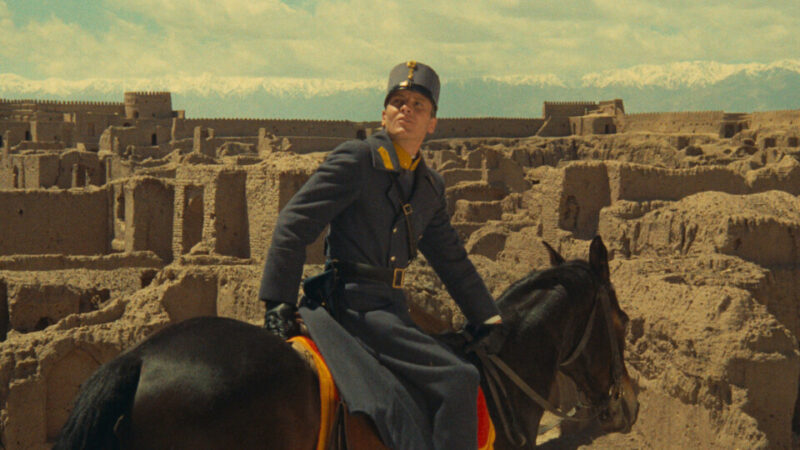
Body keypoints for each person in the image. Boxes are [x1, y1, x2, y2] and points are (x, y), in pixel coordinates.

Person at [259, 61, 503, 450]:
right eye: (398, 102)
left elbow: (450, 258)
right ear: (384, 115)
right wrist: (278, 302)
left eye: (418, 105)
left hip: (392, 309)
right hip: (352, 307)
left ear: (432, 124)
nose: (407, 109)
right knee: (459, 379)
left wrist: (486, 317)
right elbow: (294, 222)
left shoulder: (429, 185)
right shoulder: (357, 160)